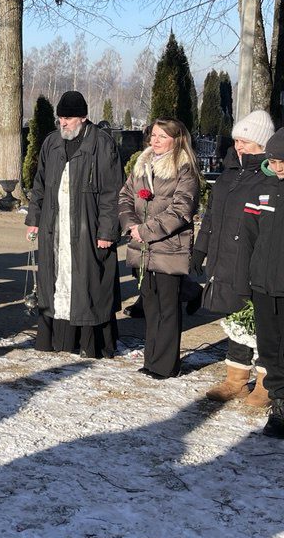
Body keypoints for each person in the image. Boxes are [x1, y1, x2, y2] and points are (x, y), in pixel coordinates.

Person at [25, 91, 122, 358]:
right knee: (55, 279)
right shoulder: (52, 142)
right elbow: (39, 184)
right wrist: (34, 219)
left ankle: (90, 343)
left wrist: (107, 231)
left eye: (68, 118)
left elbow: (112, 193)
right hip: (54, 226)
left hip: (87, 226)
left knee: (89, 283)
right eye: (60, 118)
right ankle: (59, 340)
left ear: (83, 117)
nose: (63, 123)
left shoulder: (102, 144)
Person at [191, 109, 275, 405]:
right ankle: (236, 379)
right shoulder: (228, 175)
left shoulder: (269, 179)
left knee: (261, 321)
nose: (238, 147)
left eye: (245, 142)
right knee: (235, 316)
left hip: (253, 259)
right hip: (224, 257)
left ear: (262, 144)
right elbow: (211, 217)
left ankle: (266, 381)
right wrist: (199, 251)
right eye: (237, 140)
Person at [119, 117, 201, 380]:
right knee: (150, 305)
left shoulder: (185, 169)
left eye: (162, 137)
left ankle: (166, 366)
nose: (155, 141)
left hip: (169, 247)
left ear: (176, 140)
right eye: (153, 135)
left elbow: (181, 210)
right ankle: (151, 360)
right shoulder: (142, 164)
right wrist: (131, 225)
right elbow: (125, 196)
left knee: (167, 307)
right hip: (143, 247)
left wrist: (146, 231)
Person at [238, 128, 284, 437]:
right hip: (264, 284)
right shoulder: (262, 190)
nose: (278, 167)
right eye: (274, 161)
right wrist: (245, 279)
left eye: (283, 162)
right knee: (269, 348)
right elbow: (248, 238)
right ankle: (279, 404)